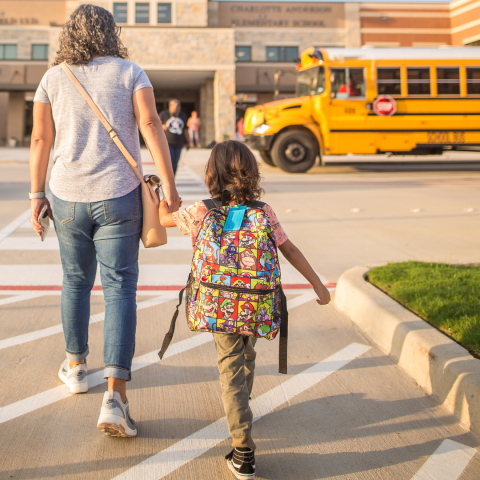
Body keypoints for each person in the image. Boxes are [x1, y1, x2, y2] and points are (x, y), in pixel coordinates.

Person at [29, 4, 180, 438]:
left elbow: (41, 138)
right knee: (119, 290)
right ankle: (115, 398)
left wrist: (37, 196)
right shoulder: (131, 71)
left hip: (67, 197)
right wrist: (167, 185)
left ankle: (76, 366)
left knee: (75, 281)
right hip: (119, 196)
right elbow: (150, 123)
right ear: (110, 32)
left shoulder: (53, 77)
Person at [158, 140, 331, 479]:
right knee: (246, 354)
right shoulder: (263, 211)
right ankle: (243, 407)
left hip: (219, 304)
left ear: (212, 173)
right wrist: (318, 284)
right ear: (252, 173)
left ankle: (242, 448)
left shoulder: (202, 211)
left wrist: (157, 198)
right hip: (256, 303)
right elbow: (289, 249)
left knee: (230, 367)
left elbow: (164, 219)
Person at [160, 99, 189, 175]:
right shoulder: (164, 114)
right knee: (170, 161)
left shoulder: (182, 115)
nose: (177, 107)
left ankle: (173, 179)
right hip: (168, 142)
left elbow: (185, 129)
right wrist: (162, 126)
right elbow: (156, 125)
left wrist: (188, 142)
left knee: (175, 162)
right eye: (175, 105)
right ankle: (167, 178)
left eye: (178, 105)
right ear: (170, 106)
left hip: (179, 143)